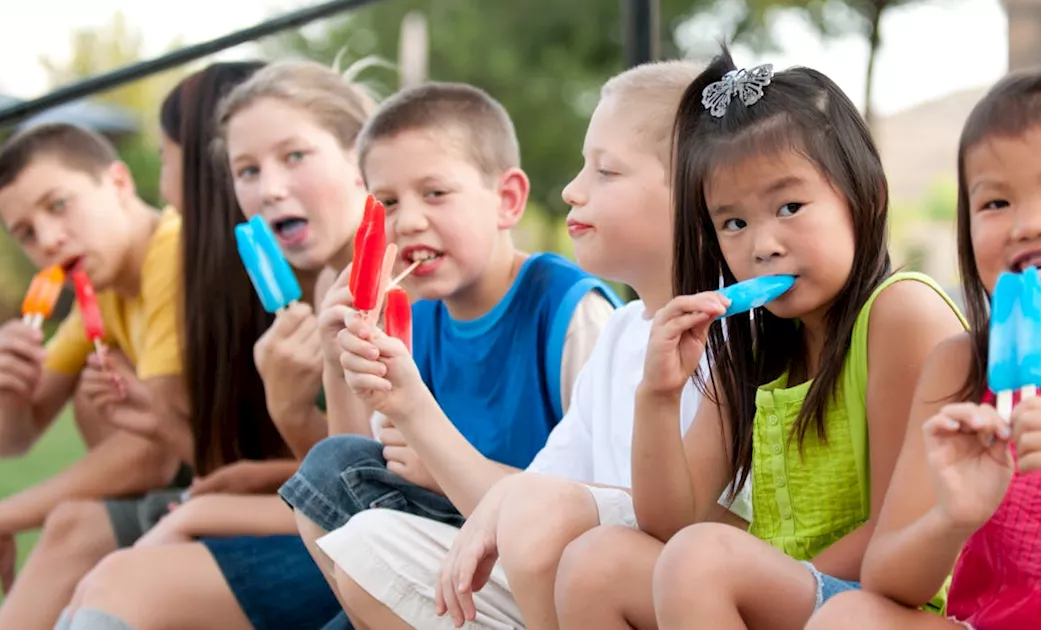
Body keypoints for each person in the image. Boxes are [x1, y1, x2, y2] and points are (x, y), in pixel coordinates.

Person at [321, 59, 752, 630]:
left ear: (697, 194)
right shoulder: (625, 330)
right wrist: (408, 404)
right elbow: (520, 496)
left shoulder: (738, 332)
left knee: (539, 511)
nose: (573, 189)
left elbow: (698, 525)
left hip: (667, 588)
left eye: (606, 172)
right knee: (365, 548)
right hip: (562, 580)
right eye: (582, 167)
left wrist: (544, 504)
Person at [551, 44, 966, 629]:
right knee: (598, 562)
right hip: (802, 590)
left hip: (901, 606)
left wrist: (764, 581)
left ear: (865, 197)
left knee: (702, 561)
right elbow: (673, 519)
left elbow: (894, 534)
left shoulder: (903, 315)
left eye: (790, 206)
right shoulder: (755, 341)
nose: (763, 244)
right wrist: (659, 394)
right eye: (734, 222)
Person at [284, 80, 620, 628]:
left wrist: (441, 468)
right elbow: (352, 469)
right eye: (387, 202)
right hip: (441, 555)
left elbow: (612, 502)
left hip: (548, 571)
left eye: (435, 193)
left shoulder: (567, 310)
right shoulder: (414, 314)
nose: (409, 219)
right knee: (334, 471)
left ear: (507, 200)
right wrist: (335, 359)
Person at [58, 59, 376, 630]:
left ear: (360, 154)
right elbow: (349, 470)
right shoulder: (331, 284)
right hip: (355, 540)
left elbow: (375, 502)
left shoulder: (400, 285)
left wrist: (289, 410)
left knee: (119, 582)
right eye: (247, 170)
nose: (270, 188)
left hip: (399, 560)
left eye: (294, 156)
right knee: (104, 578)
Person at [806, 47, 1041, 630]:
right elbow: (889, 579)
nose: (1030, 223)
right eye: (995, 202)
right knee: (851, 617)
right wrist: (953, 516)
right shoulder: (963, 367)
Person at [0, 122, 188, 630]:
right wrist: (6, 395)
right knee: (71, 513)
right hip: (176, 487)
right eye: (26, 233)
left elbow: (155, 453)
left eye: (59, 205)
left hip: (238, 484)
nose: (49, 240)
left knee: (71, 524)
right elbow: (10, 440)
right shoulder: (98, 291)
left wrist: (2, 515)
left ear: (119, 184)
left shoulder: (172, 250)